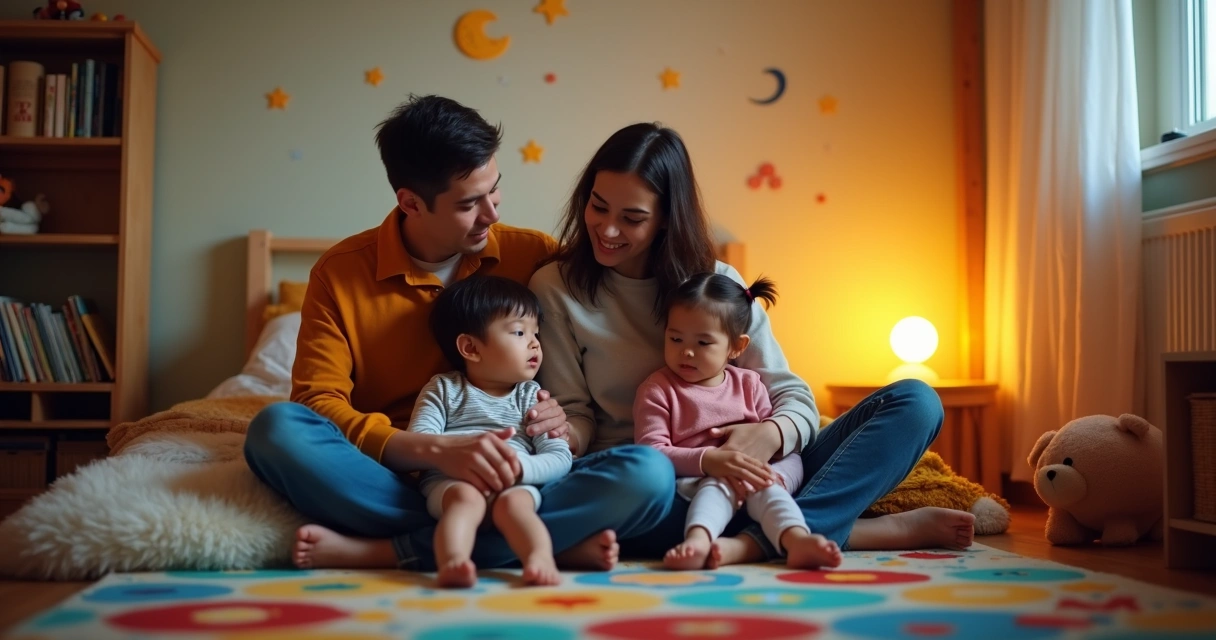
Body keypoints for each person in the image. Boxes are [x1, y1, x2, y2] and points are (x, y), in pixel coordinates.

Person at [243, 96, 677, 574]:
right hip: (395, 475)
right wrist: (434, 450)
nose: (491, 214)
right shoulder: (340, 273)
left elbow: (608, 325)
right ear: (410, 202)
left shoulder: (535, 257)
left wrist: (565, 423)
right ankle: (539, 542)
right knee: (276, 431)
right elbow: (317, 401)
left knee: (648, 474)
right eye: (470, 204)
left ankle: (397, 549)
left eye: (495, 190)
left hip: (517, 480)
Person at [529, 122, 977, 566]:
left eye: (632, 218)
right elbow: (577, 417)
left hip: (766, 474)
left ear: (666, 218)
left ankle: (756, 542)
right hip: (659, 481)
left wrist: (769, 435)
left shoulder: (719, 285)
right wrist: (562, 432)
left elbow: (793, 397)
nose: (607, 230)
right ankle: (833, 529)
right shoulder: (557, 287)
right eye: (598, 207)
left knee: (916, 401)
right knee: (640, 491)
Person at [635, 272, 843, 571]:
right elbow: (651, 452)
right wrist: (710, 460)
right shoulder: (657, 390)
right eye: (675, 338)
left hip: (761, 472)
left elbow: (775, 439)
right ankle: (698, 540)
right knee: (718, 485)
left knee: (768, 484)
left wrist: (757, 467)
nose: (686, 351)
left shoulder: (750, 384)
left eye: (704, 342)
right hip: (701, 479)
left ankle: (795, 540)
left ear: (737, 347)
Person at [410, 275, 570, 587]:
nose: (535, 343)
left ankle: (539, 558)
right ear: (470, 347)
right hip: (453, 481)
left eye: (536, 333)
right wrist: (462, 464)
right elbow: (420, 445)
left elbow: (560, 457)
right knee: (465, 499)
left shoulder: (531, 395)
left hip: (515, 482)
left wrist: (519, 469)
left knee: (516, 505)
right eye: (520, 332)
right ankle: (454, 561)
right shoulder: (444, 389)